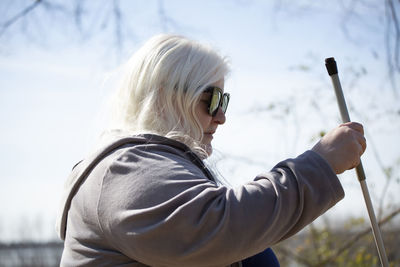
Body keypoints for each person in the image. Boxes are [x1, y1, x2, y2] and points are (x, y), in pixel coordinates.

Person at [56, 34, 366, 267]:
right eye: (211, 98)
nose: (221, 116)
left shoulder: (141, 166)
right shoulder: (125, 169)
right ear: (164, 97)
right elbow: (217, 226)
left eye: (224, 100)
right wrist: (320, 164)